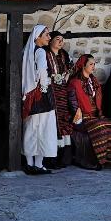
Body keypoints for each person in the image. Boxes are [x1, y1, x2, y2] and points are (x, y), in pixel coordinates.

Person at [67, 54, 111, 170]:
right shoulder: (75, 82)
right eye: (90, 64)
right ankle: (97, 161)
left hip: (95, 115)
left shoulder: (93, 80)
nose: (93, 66)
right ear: (83, 66)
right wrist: (78, 112)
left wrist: (99, 113)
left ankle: (107, 159)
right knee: (101, 129)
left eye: (94, 64)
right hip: (82, 117)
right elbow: (73, 102)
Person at [21, 25, 58, 175]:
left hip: (29, 95)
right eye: (47, 35)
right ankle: (38, 164)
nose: (49, 38)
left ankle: (31, 164)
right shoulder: (41, 52)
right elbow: (42, 71)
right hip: (40, 96)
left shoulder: (27, 52)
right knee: (43, 129)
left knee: (31, 130)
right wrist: (45, 86)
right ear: (38, 37)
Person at [45, 31, 73, 168]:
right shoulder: (44, 55)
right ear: (50, 41)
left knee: (63, 122)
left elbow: (68, 71)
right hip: (50, 93)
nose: (61, 42)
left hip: (63, 92)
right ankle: (51, 159)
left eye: (62, 39)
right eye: (57, 39)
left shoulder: (64, 55)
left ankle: (64, 158)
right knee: (52, 123)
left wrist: (64, 77)